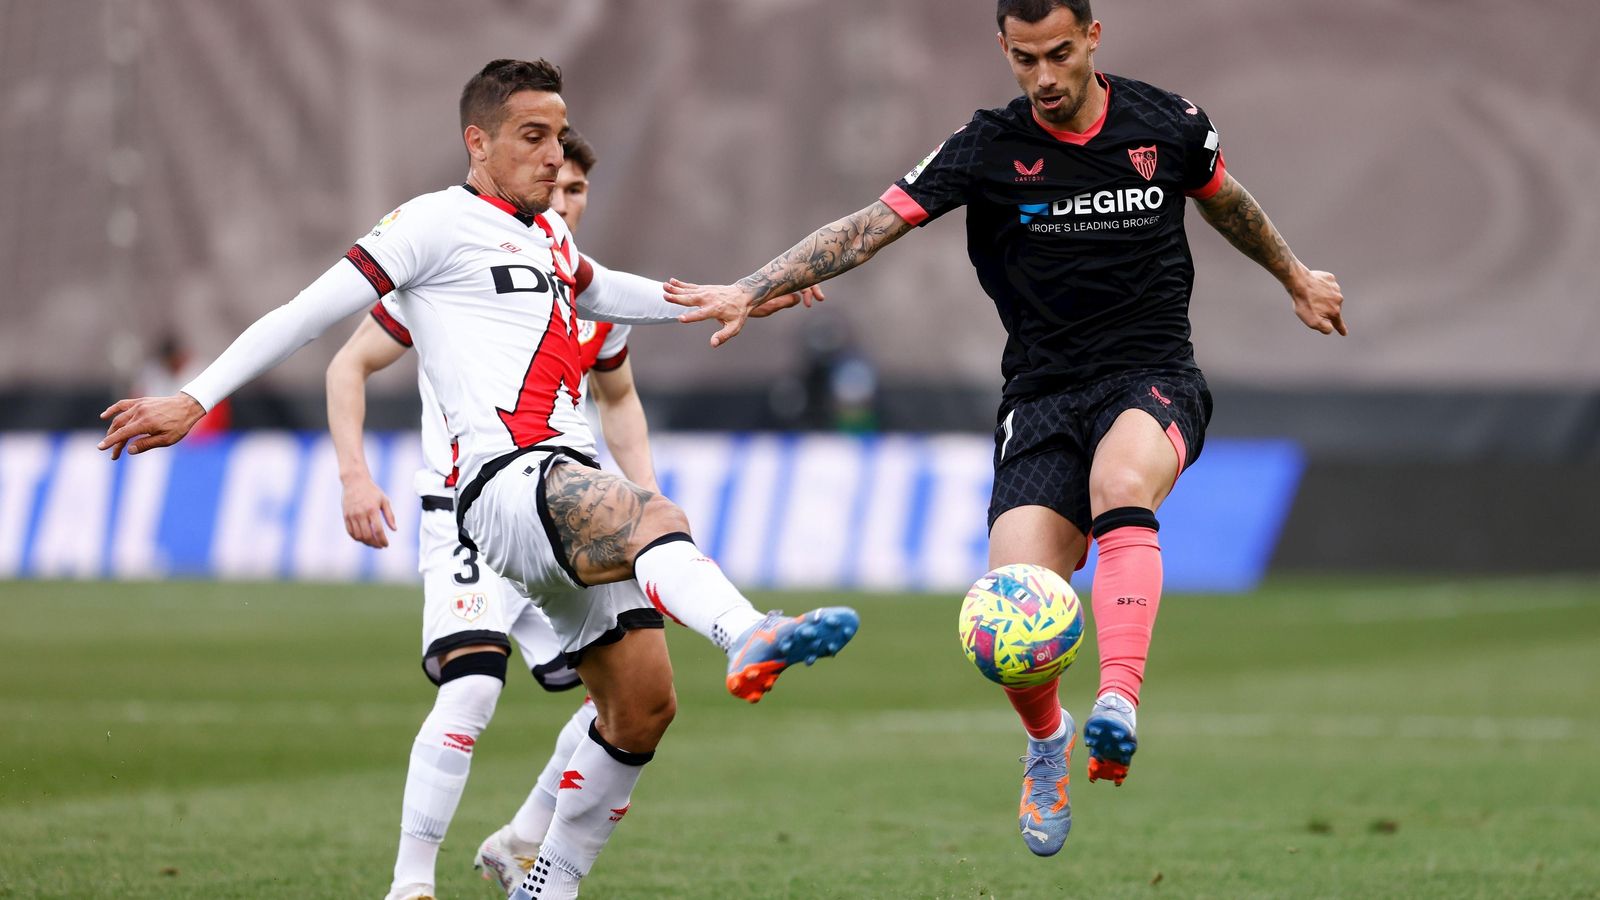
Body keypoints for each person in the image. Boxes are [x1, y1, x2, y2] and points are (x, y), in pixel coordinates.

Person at [99, 59, 859, 899]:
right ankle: (748, 632)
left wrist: (734, 296)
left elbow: (615, 292)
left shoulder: (555, 240)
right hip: (504, 484)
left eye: (558, 137)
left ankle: (547, 884)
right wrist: (195, 397)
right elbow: (305, 315)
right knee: (649, 517)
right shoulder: (430, 225)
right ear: (478, 141)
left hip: (557, 499)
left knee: (642, 708)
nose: (551, 156)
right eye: (532, 137)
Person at [665, 0, 1345, 858]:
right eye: (1025, 60)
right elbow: (868, 228)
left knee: (1121, 486)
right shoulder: (987, 146)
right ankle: (1046, 741)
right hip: (1041, 397)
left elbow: (1227, 200)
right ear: (1004, 50)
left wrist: (1295, 274)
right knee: (1006, 616)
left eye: (1060, 54)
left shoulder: (1166, 124)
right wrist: (752, 287)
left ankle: (1118, 701)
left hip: (1153, 377)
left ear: (1093, 38)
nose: (1045, 78)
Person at [323, 130, 665, 899]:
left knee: (618, 698)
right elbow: (348, 362)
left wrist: (648, 505)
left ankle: (519, 840)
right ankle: (410, 885)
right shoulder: (458, 270)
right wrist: (354, 474)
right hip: (467, 512)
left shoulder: (588, 296)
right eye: (557, 184)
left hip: (558, 515)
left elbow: (621, 404)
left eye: (578, 191)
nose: (564, 199)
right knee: (474, 687)